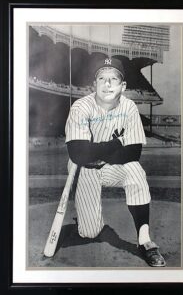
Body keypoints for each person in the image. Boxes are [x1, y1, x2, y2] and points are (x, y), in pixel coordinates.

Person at [65, 57, 166, 267]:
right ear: (94, 85)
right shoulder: (80, 107)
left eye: (113, 79)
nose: (107, 84)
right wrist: (117, 143)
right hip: (84, 169)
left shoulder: (129, 107)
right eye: (101, 78)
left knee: (135, 171)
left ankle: (145, 240)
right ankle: (86, 217)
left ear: (123, 85)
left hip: (113, 168)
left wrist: (95, 150)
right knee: (90, 232)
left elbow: (134, 153)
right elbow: (78, 155)